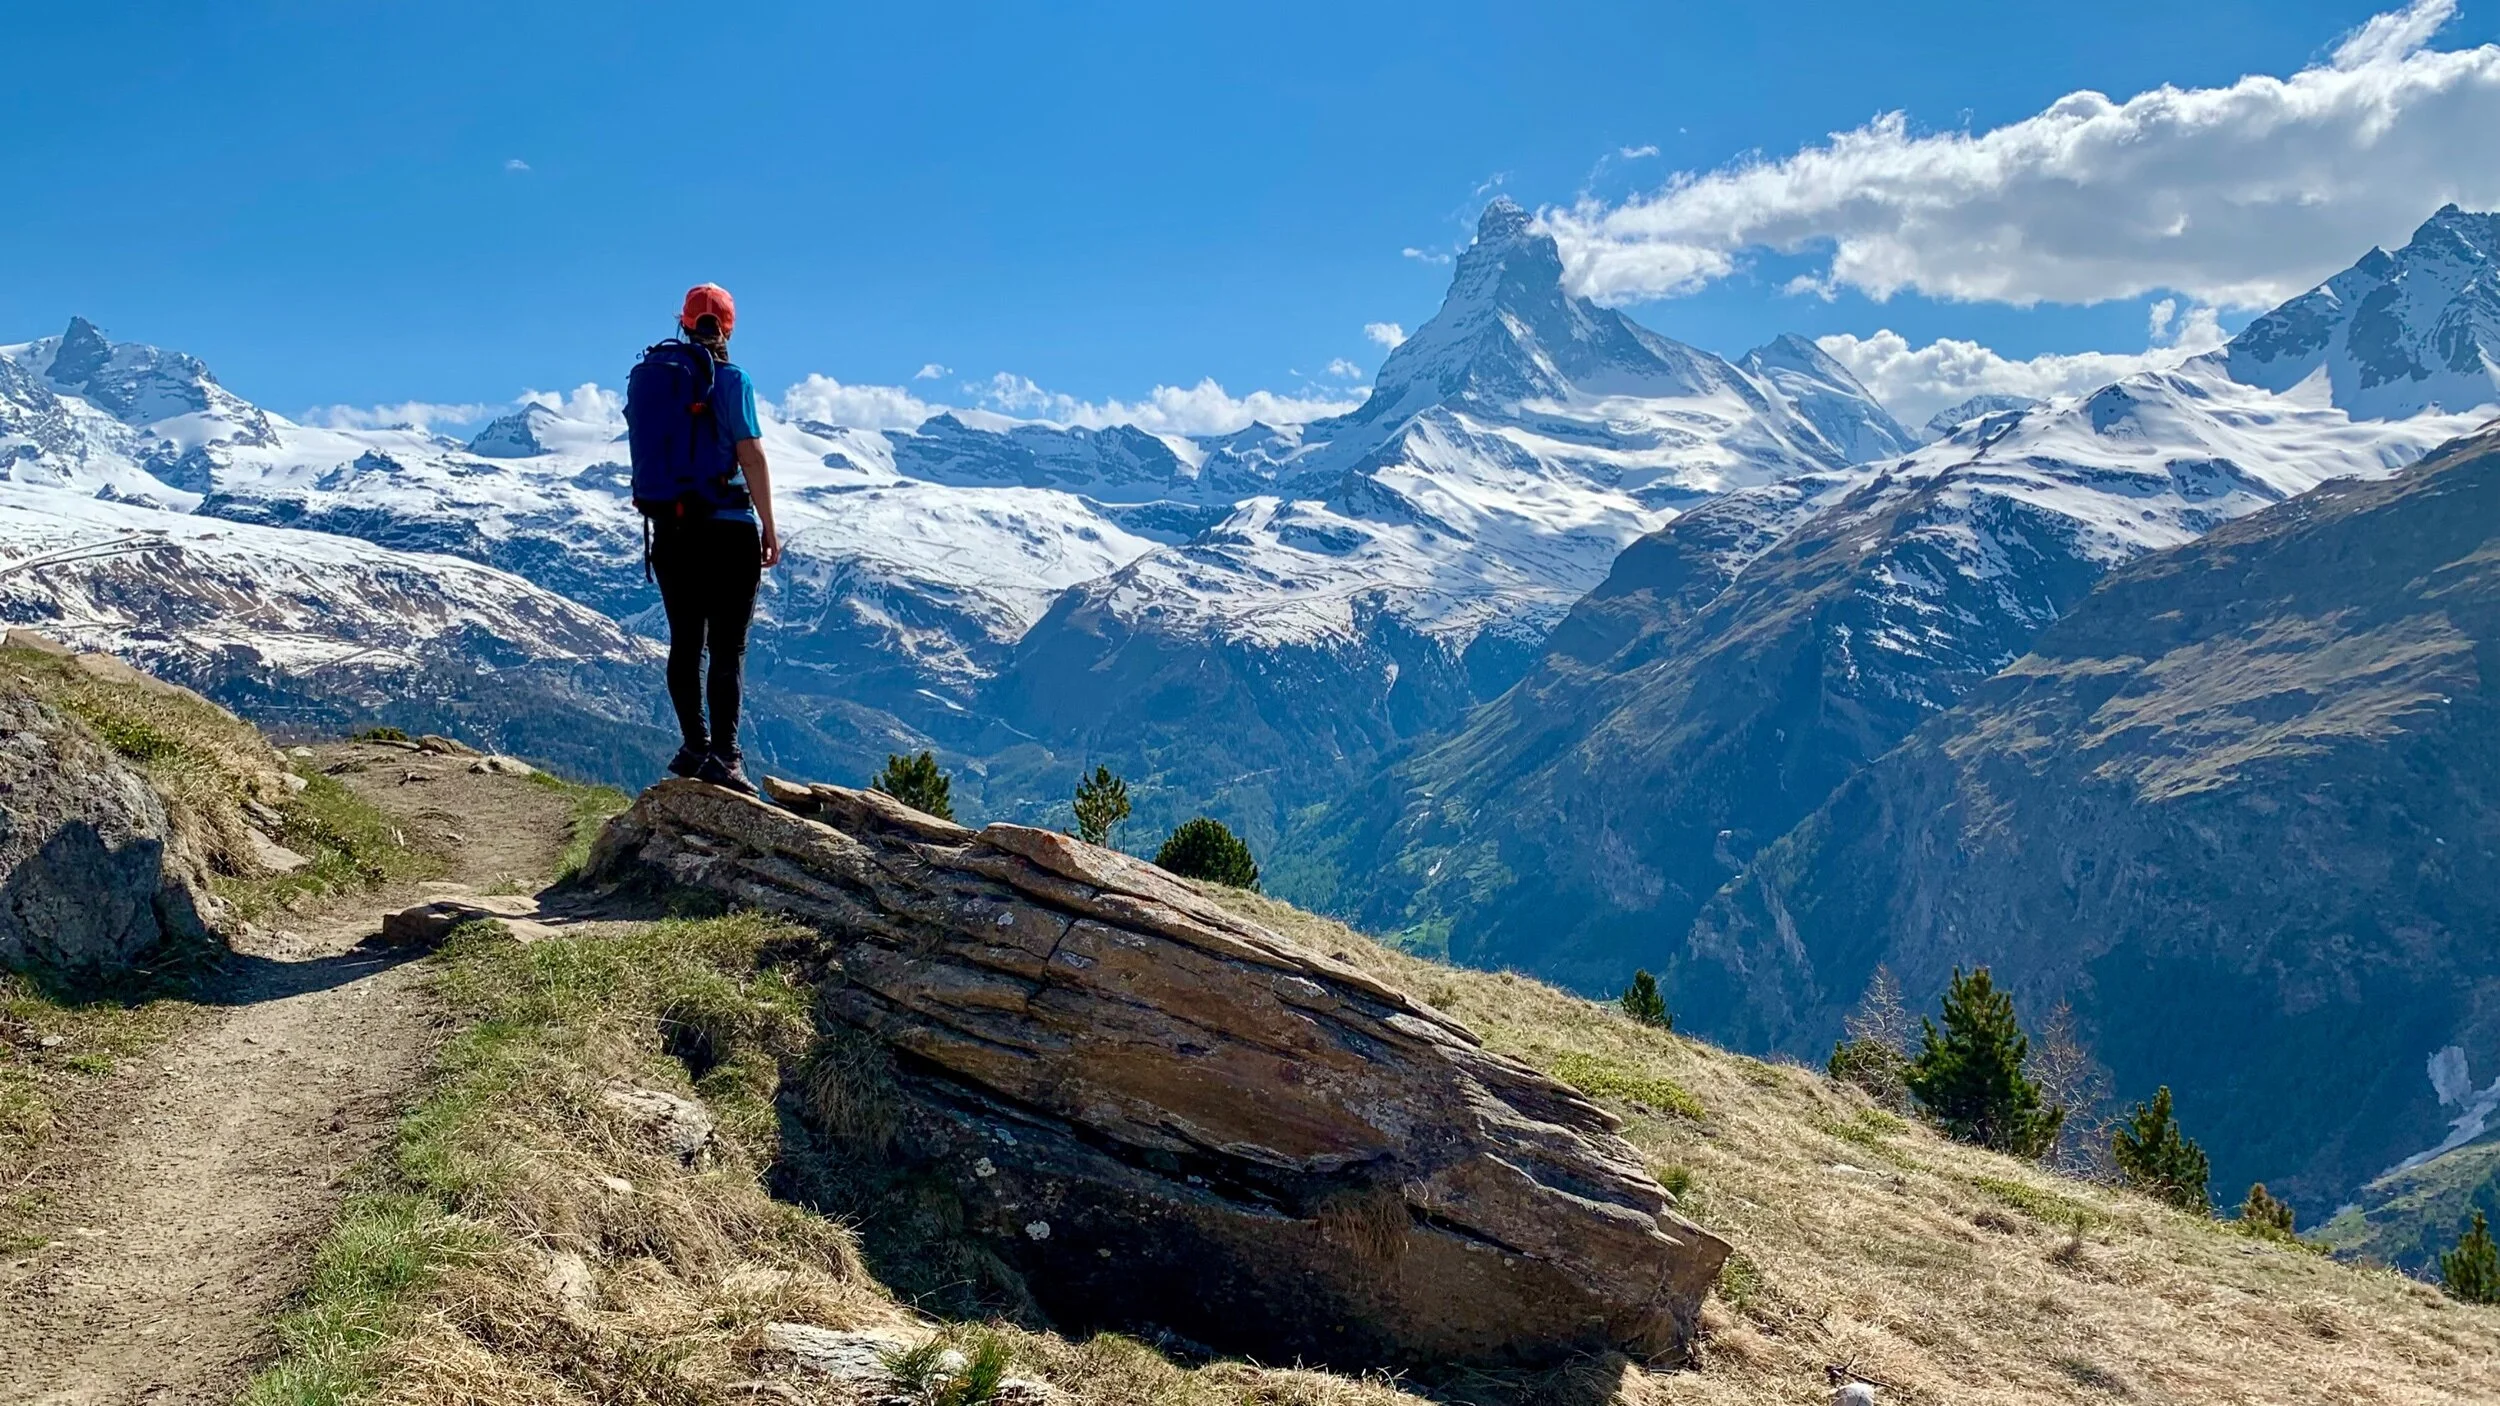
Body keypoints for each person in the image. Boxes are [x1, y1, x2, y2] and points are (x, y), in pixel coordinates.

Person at [629, 283, 782, 793]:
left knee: (685, 645)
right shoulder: (732, 380)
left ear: (683, 321)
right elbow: (752, 455)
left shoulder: (659, 380)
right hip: (728, 531)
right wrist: (768, 524)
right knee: (727, 648)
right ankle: (726, 757)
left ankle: (694, 745)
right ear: (729, 327)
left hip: (671, 531)